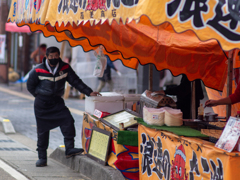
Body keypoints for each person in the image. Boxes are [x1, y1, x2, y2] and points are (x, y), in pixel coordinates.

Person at [27, 46, 101, 167]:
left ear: (59, 55)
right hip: (42, 104)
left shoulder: (65, 68)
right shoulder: (38, 70)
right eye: (51, 56)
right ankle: (42, 157)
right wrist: (40, 96)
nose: (54, 58)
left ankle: (69, 149)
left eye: (56, 56)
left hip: (57, 102)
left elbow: (75, 81)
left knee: (68, 120)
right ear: (46, 57)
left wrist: (89, 92)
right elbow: (30, 86)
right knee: (42, 131)